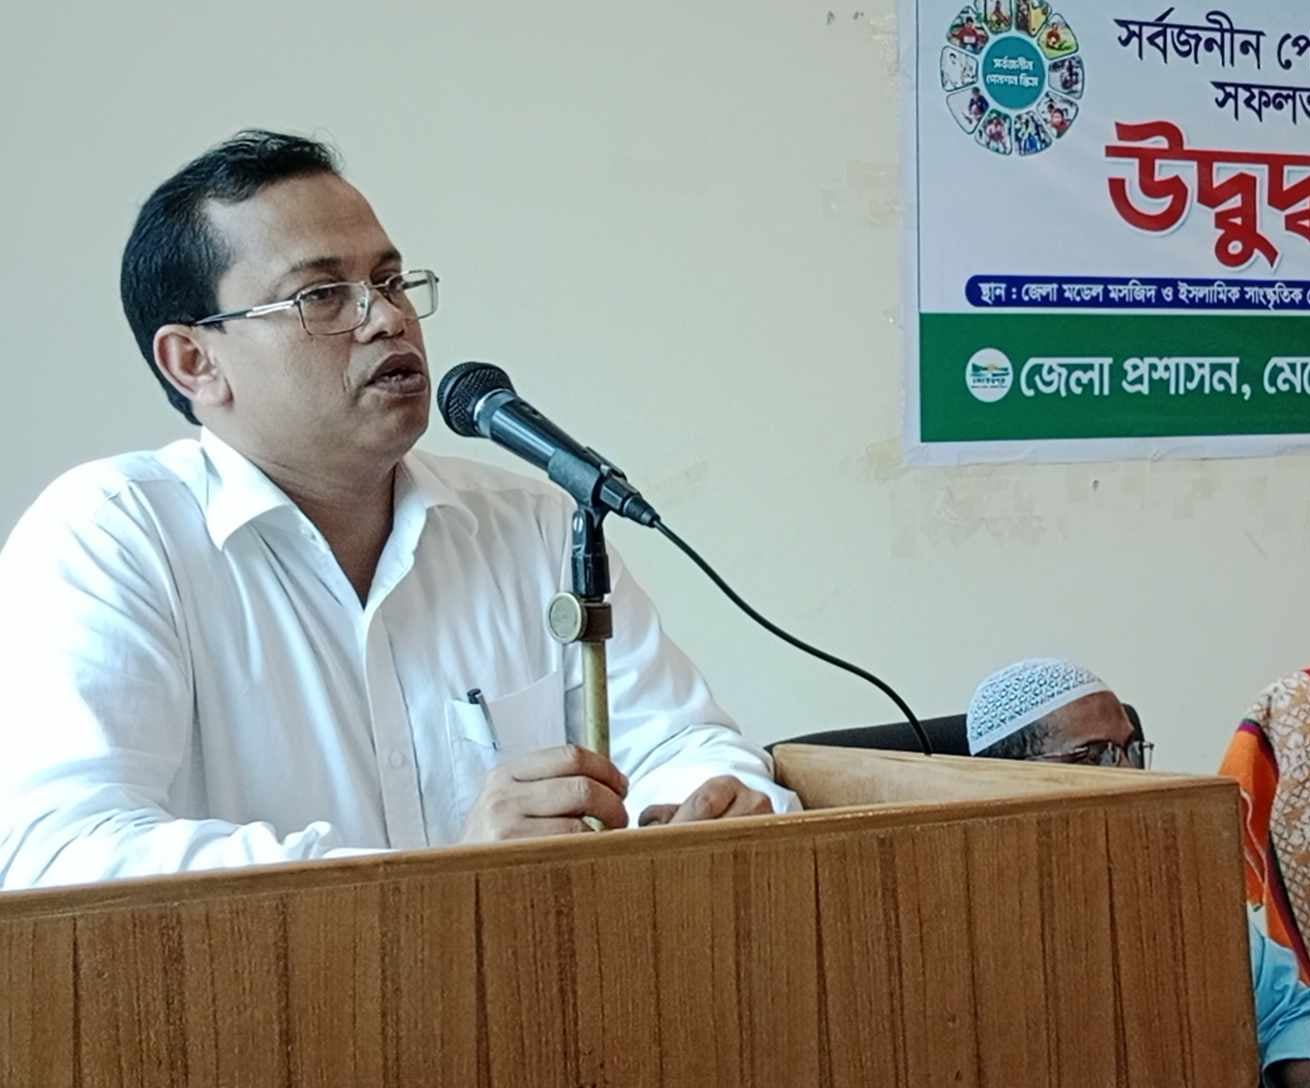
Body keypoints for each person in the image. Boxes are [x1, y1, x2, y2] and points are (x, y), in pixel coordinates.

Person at [0, 131, 796, 889]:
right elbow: (61, 852)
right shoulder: (116, 537)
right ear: (195, 361)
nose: (386, 318)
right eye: (321, 296)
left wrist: (705, 802)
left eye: (388, 281)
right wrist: (429, 878)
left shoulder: (533, 525)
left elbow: (681, 740)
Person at [967, 658, 1310, 1088]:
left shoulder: (1170, 875)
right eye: (1095, 756)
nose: (1128, 774)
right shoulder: (970, 913)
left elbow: (1287, 1012)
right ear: (1009, 777)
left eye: (1132, 750)